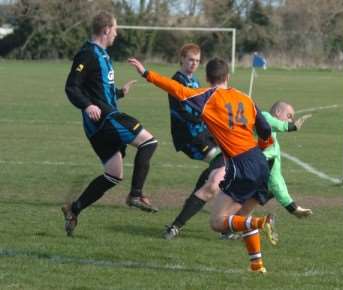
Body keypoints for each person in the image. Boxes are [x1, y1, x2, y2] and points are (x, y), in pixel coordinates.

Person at [128, 56, 277, 274]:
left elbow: (176, 89)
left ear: (207, 78)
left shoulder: (207, 96)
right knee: (238, 219)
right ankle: (257, 265)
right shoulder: (245, 98)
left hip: (241, 165)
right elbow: (265, 130)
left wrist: (146, 73)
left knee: (218, 222)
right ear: (228, 76)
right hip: (261, 163)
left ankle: (261, 222)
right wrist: (263, 146)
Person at [62, 11, 158, 237]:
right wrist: (86, 105)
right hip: (104, 119)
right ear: (106, 29)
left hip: (102, 119)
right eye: (114, 28)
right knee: (150, 142)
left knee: (113, 174)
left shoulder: (102, 55)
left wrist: (119, 93)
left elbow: (97, 89)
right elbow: (72, 86)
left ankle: (73, 209)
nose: (116, 32)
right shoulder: (87, 54)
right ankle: (135, 194)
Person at [163, 43, 226, 240]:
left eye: (197, 61)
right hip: (190, 136)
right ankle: (226, 226)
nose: (194, 64)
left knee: (219, 168)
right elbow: (182, 112)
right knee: (221, 168)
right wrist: (203, 117)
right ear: (181, 59)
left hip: (202, 133)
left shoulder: (195, 81)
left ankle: (183, 216)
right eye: (190, 60)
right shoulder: (177, 80)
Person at [262, 101, 313, 218]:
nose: (290, 120)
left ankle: (234, 225)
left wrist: (292, 207)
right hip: (245, 164)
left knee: (269, 188)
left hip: (258, 166)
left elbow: (276, 176)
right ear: (278, 112)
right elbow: (273, 123)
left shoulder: (274, 146)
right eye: (289, 116)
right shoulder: (264, 116)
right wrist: (292, 126)